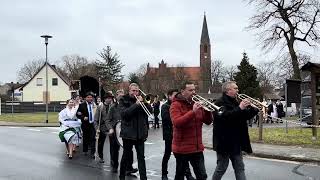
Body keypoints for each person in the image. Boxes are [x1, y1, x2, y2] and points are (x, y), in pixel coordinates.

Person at [211, 81, 259, 180]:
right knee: (222, 167)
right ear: (228, 90)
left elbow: (244, 116)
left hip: (236, 141)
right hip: (224, 142)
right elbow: (226, 116)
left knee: (240, 167)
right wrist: (240, 107)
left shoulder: (236, 101)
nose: (238, 90)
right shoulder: (219, 103)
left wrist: (254, 109)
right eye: (235, 88)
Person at [170, 81, 213, 180]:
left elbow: (208, 121)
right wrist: (193, 112)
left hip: (197, 148)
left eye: (194, 89)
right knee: (180, 176)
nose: (194, 92)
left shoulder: (196, 103)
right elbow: (177, 123)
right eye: (190, 90)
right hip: (182, 149)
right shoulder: (175, 105)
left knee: (202, 176)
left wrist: (207, 111)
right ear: (182, 91)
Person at [118, 83, 151, 180]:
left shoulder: (142, 100)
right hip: (128, 134)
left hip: (140, 134)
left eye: (137, 91)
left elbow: (150, 111)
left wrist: (145, 102)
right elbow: (124, 114)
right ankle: (121, 176)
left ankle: (144, 178)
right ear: (129, 90)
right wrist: (136, 105)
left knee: (141, 157)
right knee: (126, 156)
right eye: (133, 91)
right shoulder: (123, 100)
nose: (135, 92)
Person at [161, 89, 195, 180]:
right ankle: (164, 174)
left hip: (179, 135)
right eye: (175, 95)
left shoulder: (180, 105)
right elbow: (166, 119)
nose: (177, 97)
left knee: (183, 156)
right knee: (167, 154)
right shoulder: (165, 106)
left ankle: (188, 174)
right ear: (169, 96)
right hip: (169, 134)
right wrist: (176, 114)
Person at [106, 89, 138, 174]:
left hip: (125, 130)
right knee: (114, 150)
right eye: (119, 96)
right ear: (116, 97)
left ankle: (129, 167)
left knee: (128, 150)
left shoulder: (127, 105)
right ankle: (114, 166)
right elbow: (107, 120)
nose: (120, 97)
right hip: (114, 131)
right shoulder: (113, 107)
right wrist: (110, 128)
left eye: (122, 95)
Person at [94, 92, 114, 163]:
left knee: (113, 145)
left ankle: (113, 159)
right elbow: (96, 120)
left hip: (111, 127)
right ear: (105, 99)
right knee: (101, 143)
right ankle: (100, 157)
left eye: (110, 98)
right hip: (102, 128)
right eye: (108, 98)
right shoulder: (100, 107)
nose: (110, 100)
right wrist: (97, 129)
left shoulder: (112, 106)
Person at [76, 92, 97, 158]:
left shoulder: (94, 105)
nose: (90, 98)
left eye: (91, 97)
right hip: (85, 124)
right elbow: (78, 114)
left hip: (93, 124)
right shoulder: (82, 105)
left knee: (93, 138)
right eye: (88, 97)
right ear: (85, 98)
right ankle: (85, 150)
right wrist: (83, 117)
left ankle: (92, 153)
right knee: (85, 137)